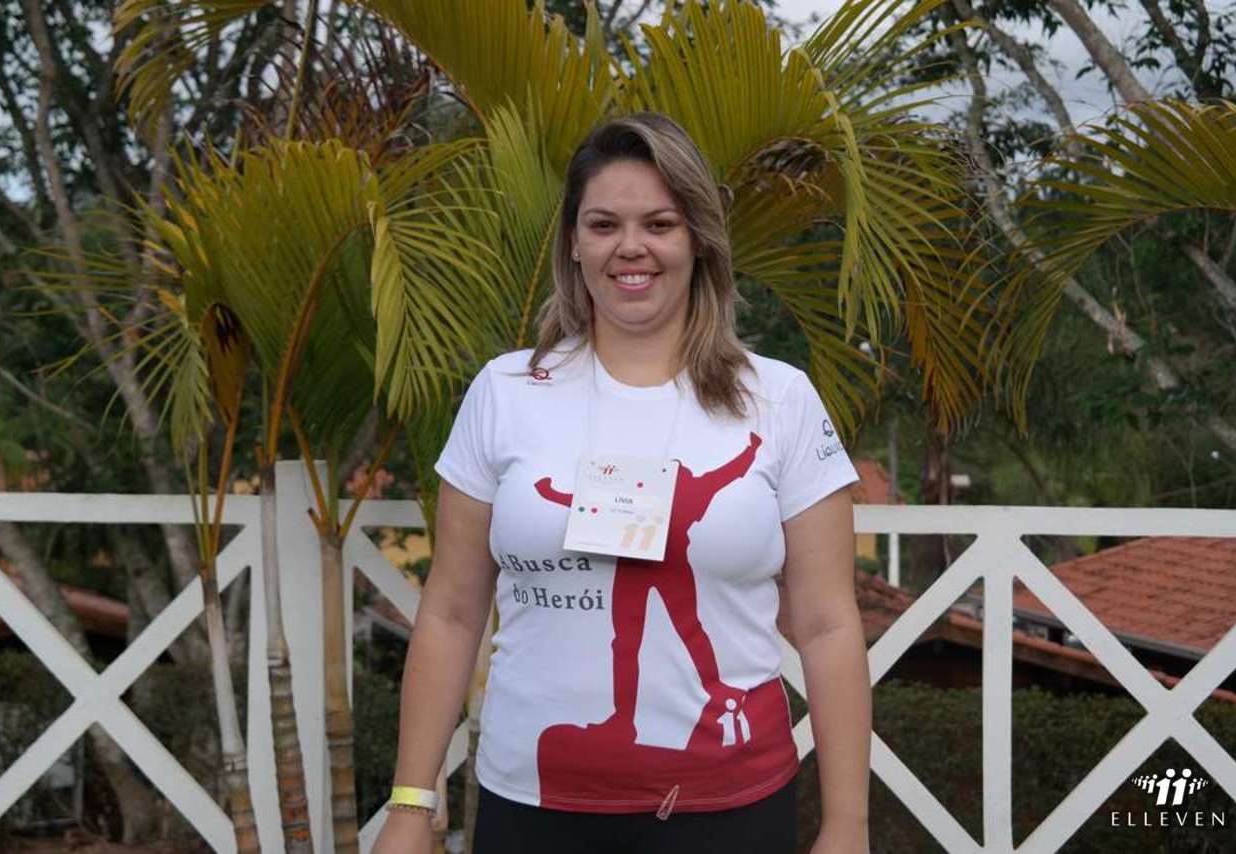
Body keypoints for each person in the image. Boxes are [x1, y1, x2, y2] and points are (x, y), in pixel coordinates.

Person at [372, 112, 871, 854]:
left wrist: (848, 825)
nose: (630, 247)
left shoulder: (780, 400)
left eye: (659, 224)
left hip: (730, 809)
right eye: (603, 224)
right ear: (573, 242)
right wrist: (412, 805)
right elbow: (449, 611)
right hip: (534, 803)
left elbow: (828, 625)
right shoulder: (506, 392)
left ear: (697, 238)